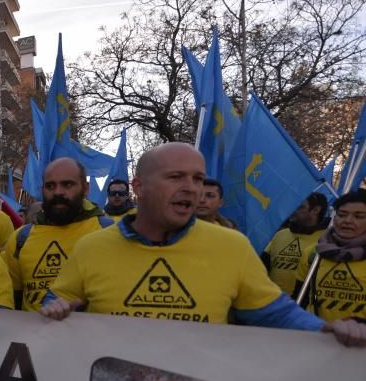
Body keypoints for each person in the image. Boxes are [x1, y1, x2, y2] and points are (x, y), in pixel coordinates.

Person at [41, 143, 366, 347]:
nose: (191, 189)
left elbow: (277, 315)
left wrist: (327, 331)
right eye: (175, 177)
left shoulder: (232, 247)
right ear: (139, 186)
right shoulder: (91, 248)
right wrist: (56, 309)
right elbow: (58, 300)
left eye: (197, 179)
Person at [2, 158, 113, 311]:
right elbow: (10, 303)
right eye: (50, 186)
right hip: (32, 334)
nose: (58, 192)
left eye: (67, 184)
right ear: (42, 189)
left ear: (85, 188)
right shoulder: (20, 239)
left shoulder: (107, 232)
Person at [295, 189, 366, 323]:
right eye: (342, 214)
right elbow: (300, 297)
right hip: (314, 337)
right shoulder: (314, 253)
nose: (347, 221)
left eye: (358, 216)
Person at [262, 192, 329, 294]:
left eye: (299, 207)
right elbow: (262, 267)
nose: (292, 210)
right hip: (273, 302)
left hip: (302, 304)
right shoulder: (280, 235)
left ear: (315, 210)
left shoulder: (327, 239)